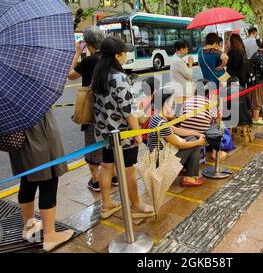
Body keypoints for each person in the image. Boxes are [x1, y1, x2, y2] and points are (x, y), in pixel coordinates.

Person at [92, 36, 155, 219]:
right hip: (123, 134)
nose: (126, 55)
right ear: (117, 56)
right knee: (128, 169)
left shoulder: (99, 75)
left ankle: (106, 205)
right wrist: (136, 134)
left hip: (105, 133)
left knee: (107, 166)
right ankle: (136, 205)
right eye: (124, 52)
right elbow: (128, 111)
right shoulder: (120, 78)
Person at [9, 110, 74, 251]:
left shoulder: (3, 93)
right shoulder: (32, 90)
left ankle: (29, 227)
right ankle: (50, 236)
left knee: (27, 181)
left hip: (19, 141)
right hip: (40, 138)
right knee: (48, 181)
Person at [67, 27, 118, 191]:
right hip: (109, 109)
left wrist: (76, 52)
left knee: (92, 144)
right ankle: (115, 176)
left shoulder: (89, 61)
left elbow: (70, 75)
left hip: (92, 110)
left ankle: (96, 180)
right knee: (110, 143)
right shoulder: (109, 58)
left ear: (88, 44)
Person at [148, 90, 206, 187]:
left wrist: (197, 133)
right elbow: (179, 145)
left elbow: (176, 130)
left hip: (159, 158)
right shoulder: (162, 123)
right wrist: (198, 142)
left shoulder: (157, 117)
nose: (173, 107)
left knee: (192, 138)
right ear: (165, 105)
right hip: (161, 163)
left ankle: (186, 171)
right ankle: (189, 177)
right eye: (172, 104)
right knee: (195, 143)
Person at [180, 79, 224, 160]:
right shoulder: (210, 103)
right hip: (202, 136)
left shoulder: (187, 101)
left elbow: (180, 117)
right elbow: (216, 120)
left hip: (183, 135)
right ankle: (215, 153)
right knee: (217, 125)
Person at [170, 40, 194, 104]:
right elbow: (189, 75)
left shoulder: (176, 58)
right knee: (183, 110)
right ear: (178, 50)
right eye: (184, 49)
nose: (186, 52)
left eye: (187, 49)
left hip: (179, 89)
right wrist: (190, 63)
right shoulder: (178, 61)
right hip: (181, 91)